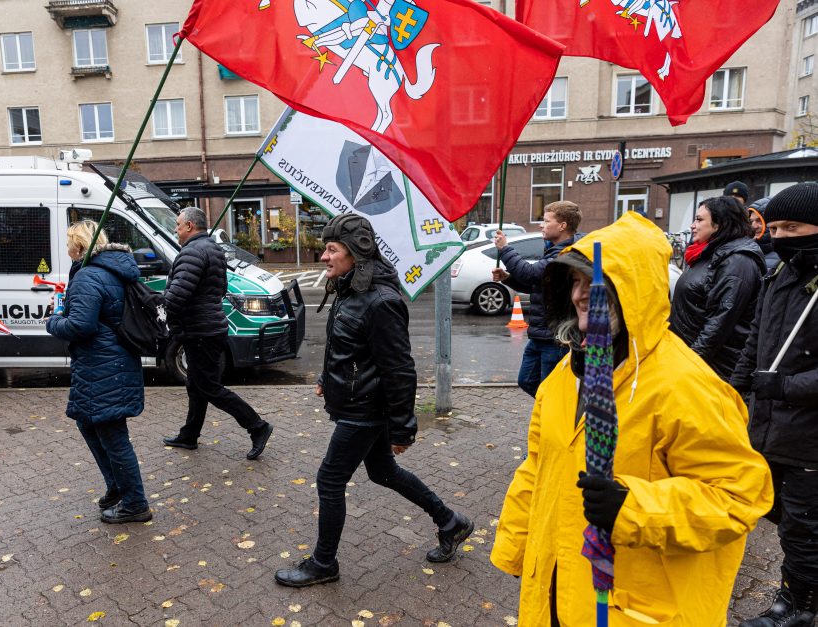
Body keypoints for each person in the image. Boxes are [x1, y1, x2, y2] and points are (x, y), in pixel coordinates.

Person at [490, 212, 773, 626]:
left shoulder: (685, 386)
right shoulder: (563, 376)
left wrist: (633, 507)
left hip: (633, 606)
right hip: (556, 589)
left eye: (596, 284)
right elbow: (538, 467)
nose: (581, 295)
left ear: (634, 293)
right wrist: (518, 548)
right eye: (575, 282)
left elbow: (740, 497)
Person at [275, 213, 473, 588]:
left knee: (330, 480)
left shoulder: (381, 301)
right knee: (383, 473)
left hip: (365, 409)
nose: (323, 258)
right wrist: (325, 379)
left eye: (331, 250)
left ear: (356, 254)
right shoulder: (352, 289)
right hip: (358, 403)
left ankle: (323, 564)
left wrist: (403, 428)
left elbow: (400, 370)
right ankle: (451, 522)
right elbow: (350, 350)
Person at [731, 182, 818, 627]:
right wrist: (734, 390)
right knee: (779, 511)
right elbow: (757, 345)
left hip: (809, 436)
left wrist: (785, 386)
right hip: (770, 426)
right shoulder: (779, 274)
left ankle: (799, 607)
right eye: (777, 227)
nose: (781, 236)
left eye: (793, 227)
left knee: (802, 527)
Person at [46, 220, 151, 524]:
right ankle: (117, 487)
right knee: (88, 423)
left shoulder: (89, 276)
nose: (66, 249)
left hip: (102, 365)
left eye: (68, 243)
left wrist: (53, 321)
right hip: (112, 362)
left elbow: (81, 325)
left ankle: (135, 503)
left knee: (113, 435)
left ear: (78, 246)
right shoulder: (113, 270)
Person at [162, 208, 273, 460]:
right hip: (208, 328)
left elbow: (177, 295)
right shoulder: (212, 248)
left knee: (209, 387)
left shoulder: (191, 251)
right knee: (196, 384)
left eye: (178, 225)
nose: (176, 230)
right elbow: (220, 287)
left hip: (199, 330)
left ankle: (258, 426)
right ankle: (189, 435)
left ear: (189, 226)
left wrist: (163, 303)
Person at [492, 200, 583, 397]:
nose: (541, 225)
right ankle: (553, 412)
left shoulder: (565, 254)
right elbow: (536, 284)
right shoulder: (552, 249)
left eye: (546, 220)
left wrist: (505, 249)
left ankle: (555, 419)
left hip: (555, 338)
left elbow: (530, 273)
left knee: (550, 391)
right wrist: (508, 279)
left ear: (562, 225)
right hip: (540, 335)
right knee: (526, 381)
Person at [669, 196, 765, 381]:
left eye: (699, 219)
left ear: (719, 224)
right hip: (693, 360)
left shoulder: (738, 261)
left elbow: (720, 322)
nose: (692, 225)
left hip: (714, 369)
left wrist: (690, 362)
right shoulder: (708, 253)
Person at [748, 196, 782, 273]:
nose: (754, 226)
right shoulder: (745, 251)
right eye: (751, 221)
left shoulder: (784, 257)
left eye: (759, 220)